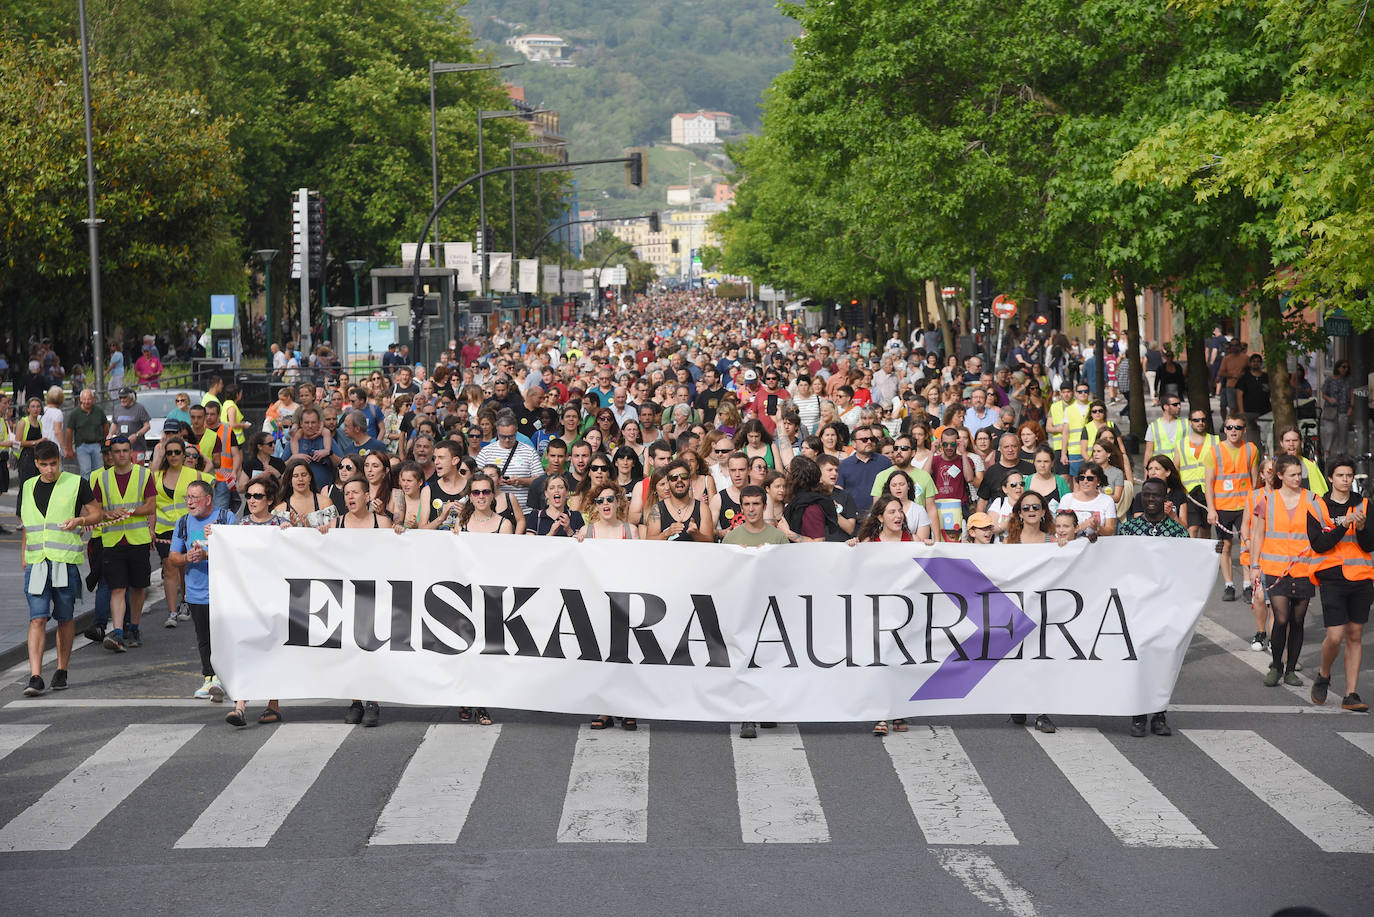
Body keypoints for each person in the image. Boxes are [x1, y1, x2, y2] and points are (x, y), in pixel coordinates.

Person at [18, 441, 102, 696]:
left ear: (59, 460)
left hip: (65, 561)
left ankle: (62, 670)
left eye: (53, 463)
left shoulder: (76, 483)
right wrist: (24, 555)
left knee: (65, 618)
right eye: (44, 465)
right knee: (38, 618)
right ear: (36, 464)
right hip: (37, 562)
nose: (50, 469)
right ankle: (35, 676)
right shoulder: (28, 486)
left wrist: (81, 519)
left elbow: (97, 513)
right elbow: (28, 525)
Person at [1118, 478, 1189, 736]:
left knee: (1161, 662)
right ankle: (1138, 716)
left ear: (1165, 497)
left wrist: (1211, 552)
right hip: (1136, 605)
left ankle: (1159, 716)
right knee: (1138, 661)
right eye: (1146, 495)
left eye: (1155, 496)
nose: (1150, 500)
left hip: (1165, 606)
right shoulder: (1128, 529)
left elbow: (1189, 566)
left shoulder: (1178, 532)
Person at [1307, 457, 1372, 712]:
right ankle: (1324, 674)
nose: (1345, 480)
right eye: (1340, 475)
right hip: (1332, 576)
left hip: (1362, 576)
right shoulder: (1317, 507)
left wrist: (1364, 527)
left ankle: (1351, 694)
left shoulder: (1364, 504)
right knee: (1335, 636)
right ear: (1331, 478)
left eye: (1349, 476)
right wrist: (1343, 525)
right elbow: (1319, 545)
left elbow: (1369, 545)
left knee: (1355, 634)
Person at [1252, 454, 1321, 688]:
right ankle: (1276, 666)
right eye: (1292, 474)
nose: (1297, 478)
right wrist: (1254, 565)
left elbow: (1323, 532)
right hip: (1275, 569)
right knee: (1281, 619)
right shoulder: (1267, 500)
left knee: (1298, 620)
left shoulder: (1312, 499)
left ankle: (1291, 669)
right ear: (1279, 475)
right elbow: (1257, 534)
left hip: (1304, 570)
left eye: (1299, 474)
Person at [225, 480, 286, 726]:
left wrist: (295, 531)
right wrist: (216, 537)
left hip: (277, 596)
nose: (252, 500)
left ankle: (273, 705)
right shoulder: (241, 526)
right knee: (245, 648)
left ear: (270, 499)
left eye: (258, 496)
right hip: (249, 597)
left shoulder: (282, 524)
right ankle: (240, 705)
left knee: (273, 649)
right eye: (249, 495)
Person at [169, 479, 236, 701]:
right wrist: (187, 557)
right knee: (203, 637)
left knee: (223, 636)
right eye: (187, 497)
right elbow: (173, 558)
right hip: (197, 591)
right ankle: (209, 678)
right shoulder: (182, 523)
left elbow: (236, 551)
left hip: (223, 591)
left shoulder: (226, 518)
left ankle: (224, 677)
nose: (189, 502)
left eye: (194, 497)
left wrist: (212, 545)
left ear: (208, 499)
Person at [93, 437, 158, 652]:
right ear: (110, 454)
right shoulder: (102, 478)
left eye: (125, 450)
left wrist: (129, 512)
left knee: (138, 587)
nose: (121, 455)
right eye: (117, 451)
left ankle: (135, 627)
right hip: (112, 541)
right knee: (117, 588)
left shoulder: (144, 474)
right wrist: (106, 513)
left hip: (138, 539)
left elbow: (150, 506)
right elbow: (95, 511)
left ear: (131, 452)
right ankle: (119, 632)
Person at [1206, 412, 1259, 601]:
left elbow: (1255, 481)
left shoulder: (1251, 449)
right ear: (1225, 430)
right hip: (1222, 506)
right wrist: (1211, 509)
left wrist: (1255, 506)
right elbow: (1209, 483)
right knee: (1225, 546)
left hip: (1245, 507)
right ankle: (1229, 585)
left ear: (1244, 430)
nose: (1233, 431)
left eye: (1237, 427)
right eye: (1229, 427)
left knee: (1247, 545)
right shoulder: (1214, 451)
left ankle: (1247, 585)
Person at [1173, 406, 1219, 539]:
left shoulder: (1215, 441)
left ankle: (1204, 558)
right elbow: (1175, 468)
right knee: (1192, 528)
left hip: (1208, 491)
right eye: (1196, 420)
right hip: (1188, 492)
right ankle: (1192, 556)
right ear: (1190, 422)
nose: (1200, 423)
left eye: (1203, 420)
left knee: (1206, 528)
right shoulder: (1181, 444)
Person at [1057, 461, 1117, 537]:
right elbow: (1059, 528)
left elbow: (1110, 530)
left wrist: (1097, 527)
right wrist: (1081, 527)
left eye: (1090, 478)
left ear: (1098, 481)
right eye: (1081, 478)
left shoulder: (1107, 500)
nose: (1085, 481)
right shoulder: (1067, 499)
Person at [65, 388, 108, 476]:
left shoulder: (99, 411)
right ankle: (86, 488)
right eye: (84, 399)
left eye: (89, 399)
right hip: (82, 445)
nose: (87, 401)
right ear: (81, 400)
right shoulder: (75, 413)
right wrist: (69, 448)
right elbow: (69, 431)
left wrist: (105, 441)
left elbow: (105, 425)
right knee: (85, 470)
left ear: (93, 399)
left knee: (99, 469)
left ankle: (98, 488)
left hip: (97, 444)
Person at [1320, 359, 1353, 459]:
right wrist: (1330, 399)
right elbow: (1323, 394)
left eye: (1347, 367)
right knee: (1330, 431)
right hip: (1331, 410)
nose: (1345, 369)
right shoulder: (1330, 380)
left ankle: (1341, 452)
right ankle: (1327, 450)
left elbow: (1352, 394)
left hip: (1344, 409)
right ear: (1338, 368)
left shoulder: (1348, 381)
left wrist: (1351, 407)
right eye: (1343, 367)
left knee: (1343, 432)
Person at [1142, 394, 1184, 469]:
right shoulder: (1153, 426)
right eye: (1175, 404)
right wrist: (1147, 475)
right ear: (1165, 407)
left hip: (1180, 468)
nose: (1179, 407)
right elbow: (1148, 452)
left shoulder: (1185, 424)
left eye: (1179, 404)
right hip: (1160, 468)